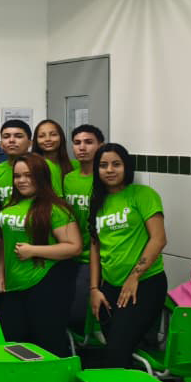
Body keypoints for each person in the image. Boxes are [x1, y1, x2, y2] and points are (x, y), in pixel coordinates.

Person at [87, 144, 168, 369]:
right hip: (110, 287)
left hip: (144, 283)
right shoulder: (97, 201)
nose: (110, 170)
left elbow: (158, 239)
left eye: (116, 164)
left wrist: (134, 276)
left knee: (117, 350)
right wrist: (94, 289)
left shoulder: (143, 195)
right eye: (103, 165)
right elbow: (95, 248)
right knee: (114, 347)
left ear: (127, 167)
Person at [0, 154, 82, 357]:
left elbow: (74, 247)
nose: (22, 180)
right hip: (13, 283)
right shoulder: (9, 205)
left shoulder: (56, 208)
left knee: (47, 344)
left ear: (41, 177)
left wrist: (34, 250)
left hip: (45, 283)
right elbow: (2, 242)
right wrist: (1, 275)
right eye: (17, 176)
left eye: (29, 175)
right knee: (14, 344)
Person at [64, 124, 105, 331]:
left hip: (97, 256)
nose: (82, 147)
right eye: (77, 143)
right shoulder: (68, 177)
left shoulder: (105, 178)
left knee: (81, 312)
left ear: (100, 146)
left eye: (89, 142)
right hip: (69, 254)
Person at [0, 120, 65, 204]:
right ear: (1, 144)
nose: (11, 140)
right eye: (6, 136)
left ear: (30, 143)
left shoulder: (46, 165)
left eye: (18, 136)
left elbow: (58, 202)